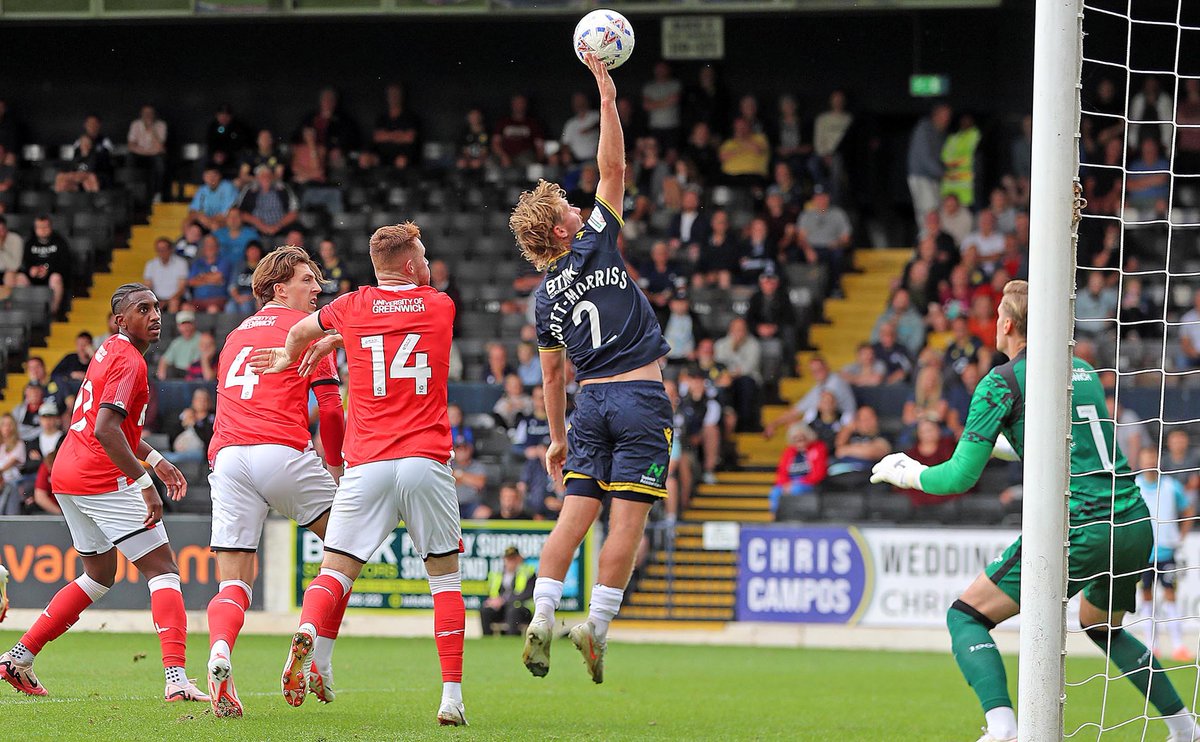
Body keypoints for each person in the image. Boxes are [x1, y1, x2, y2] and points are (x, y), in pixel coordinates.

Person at [868, 280, 1200, 742]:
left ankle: (1003, 726)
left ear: (1004, 324)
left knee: (966, 615)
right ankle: (1185, 727)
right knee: (1100, 626)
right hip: (1132, 522)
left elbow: (959, 478)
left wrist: (908, 473)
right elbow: (1066, 444)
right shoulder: (1080, 368)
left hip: (1081, 528)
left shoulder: (1000, 382)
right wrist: (1005, 447)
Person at [250, 223, 466, 726]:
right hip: (425, 460)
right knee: (446, 582)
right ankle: (451, 698)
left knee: (334, 572)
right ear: (412, 265)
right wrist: (334, 339)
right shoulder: (440, 304)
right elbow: (401, 324)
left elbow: (301, 331)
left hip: (365, 463)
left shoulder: (351, 305)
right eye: (425, 255)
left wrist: (290, 356)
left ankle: (310, 638)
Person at [508, 54, 672, 685]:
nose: (581, 207)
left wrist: (554, 437)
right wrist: (606, 95)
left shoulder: (544, 298)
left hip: (588, 407)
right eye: (570, 208)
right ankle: (596, 629)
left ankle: (542, 613)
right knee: (627, 519)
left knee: (573, 516)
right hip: (638, 399)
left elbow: (551, 378)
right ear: (561, 226)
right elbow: (615, 166)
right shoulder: (597, 238)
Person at [0, 283, 208, 702]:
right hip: (99, 475)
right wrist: (145, 483)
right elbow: (106, 430)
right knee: (163, 569)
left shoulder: (109, 350)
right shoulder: (130, 360)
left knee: (99, 576)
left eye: (156, 308)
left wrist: (155, 458)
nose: (154, 315)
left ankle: (18, 657)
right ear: (120, 320)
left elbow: (112, 425)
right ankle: (176, 680)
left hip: (68, 473)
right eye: (142, 309)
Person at [200, 246, 346, 717]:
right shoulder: (304, 331)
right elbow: (330, 407)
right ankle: (310, 639)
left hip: (228, 459)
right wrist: (337, 466)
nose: (317, 289)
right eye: (308, 281)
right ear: (280, 289)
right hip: (280, 451)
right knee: (349, 545)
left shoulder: (232, 337)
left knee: (234, 582)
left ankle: (220, 654)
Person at [1133, 447, 1194, 662]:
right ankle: (1152, 645)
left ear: (1158, 460)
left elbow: (1188, 510)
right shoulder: (1135, 485)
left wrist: (1181, 535)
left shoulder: (1171, 486)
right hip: (1143, 553)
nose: (1149, 460)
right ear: (1140, 460)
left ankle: (1178, 645)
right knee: (1146, 596)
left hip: (1167, 552)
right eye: (1146, 456)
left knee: (1170, 596)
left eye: (1152, 456)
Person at [907, 103, 951, 228]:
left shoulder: (941, 133)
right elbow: (925, 158)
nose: (946, 119)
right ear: (935, 115)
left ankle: (934, 242)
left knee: (936, 211)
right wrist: (943, 174)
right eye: (944, 115)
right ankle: (926, 242)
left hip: (934, 179)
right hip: (921, 176)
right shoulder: (924, 129)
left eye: (948, 116)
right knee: (927, 212)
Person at [768, 423, 827, 515]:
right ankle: (777, 516)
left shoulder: (818, 448)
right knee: (775, 492)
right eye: (796, 439)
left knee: (796, 490)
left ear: (808, 437)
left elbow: (819, 473)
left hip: (808, 483)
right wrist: (785, 484)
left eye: (802, 438)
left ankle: (793, 515)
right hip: (790, 482)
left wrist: (797, 483)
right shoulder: (789, 452)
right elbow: (782, 472)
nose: (800, 442)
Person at [17, 215, 69, 316]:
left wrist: (48, 270)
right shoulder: (30, 243)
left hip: (51, 276)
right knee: (19, 278)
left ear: (51, 227)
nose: (43, 230)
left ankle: (53, 313)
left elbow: (65, 264)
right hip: (33, 277)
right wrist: (30, 270)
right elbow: (24, 263)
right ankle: (23, 314)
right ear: (35, 228)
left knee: (56, 278)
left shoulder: (59, 242)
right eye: (40, 227)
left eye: (45, 227)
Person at [480, 545, 537, 636]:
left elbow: (528, 593)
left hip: (522, 609)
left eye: (514, 559)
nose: (511, 562)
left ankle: (511, 640)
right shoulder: (497, 574)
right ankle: (487, 640)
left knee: (513, 611)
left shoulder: (528, 572)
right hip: (502, 609)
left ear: (519, 559)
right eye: (508, 559)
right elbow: (491, 593)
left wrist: (504, 600)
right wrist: (492, 601)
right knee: (485, 610)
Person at [127, 105, 168, 201]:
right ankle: (131, 193)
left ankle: (157, 193)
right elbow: (130, 146)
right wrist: (146, 151)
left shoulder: (161, 125)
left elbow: (160, 147)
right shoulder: (135, 124)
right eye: (145, 113)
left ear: (154, 115)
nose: (148, 115)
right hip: (139, 155)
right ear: (141, 114)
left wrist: (152, 129)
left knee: (160, 162)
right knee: (130, 157)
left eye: (150, 113)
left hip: (155, 155)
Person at [185, 166, 239, 232]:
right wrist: (200, 217)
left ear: (220, 176)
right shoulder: (202, 189)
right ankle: (186, 242)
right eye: (208, 175)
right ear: (204, 177)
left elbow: (227, 214)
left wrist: (207, 220)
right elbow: (193, 210)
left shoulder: (228, 187)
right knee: (186, 222)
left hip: (225, 221)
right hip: (206, 221)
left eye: (214, 175)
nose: (211, 178)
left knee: (215, 225)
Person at [143, 237, 189, 312]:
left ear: (170, 249)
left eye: (164, 249)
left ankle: (171, 324)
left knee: (174, 302)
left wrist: (167, 301)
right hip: (156, 298)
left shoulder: (181, 263)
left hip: (175, 298)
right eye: (159, 250)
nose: (161, 252)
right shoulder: (150, 264)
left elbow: (181, 288)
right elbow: (148, 286)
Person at [157, 309, 200, 380]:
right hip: (179, 376)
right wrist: (162, 378)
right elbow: (164, 360)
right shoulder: (177, 342)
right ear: (178, 326)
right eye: (183, 324)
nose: (186, 327)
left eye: (189, 323)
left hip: (195, 375)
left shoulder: (202, 339)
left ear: (194, 324)